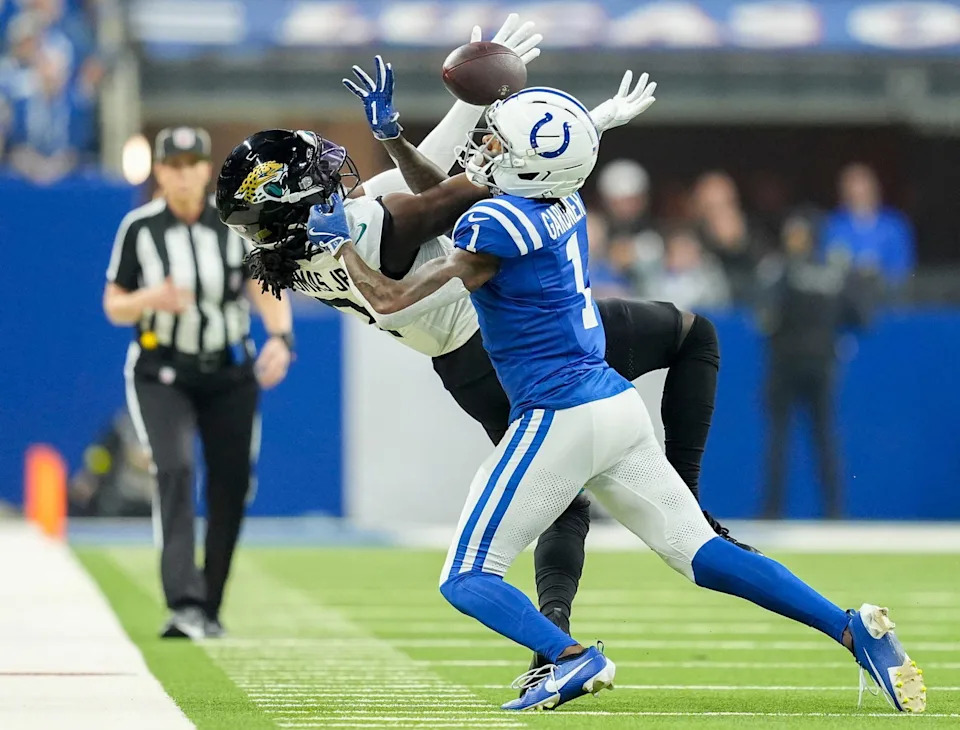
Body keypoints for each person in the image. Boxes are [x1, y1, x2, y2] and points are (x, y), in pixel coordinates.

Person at [306, 84, 925, 714]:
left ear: (526, 161)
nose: (485, 146)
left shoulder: (495, 225)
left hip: (558, 416)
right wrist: (577, 124)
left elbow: (391, 298)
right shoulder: (560, 199)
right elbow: (450, 193)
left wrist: (341, 246)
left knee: (467, 576)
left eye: (498, 138)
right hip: (615, 404)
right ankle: (852, 630)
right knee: (702, 555)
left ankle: (571, 657)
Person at [215, 27, 753, 674]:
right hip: (514, 330)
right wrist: (576, 122)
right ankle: (688, 508)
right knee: (693, 335)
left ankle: (552, 641)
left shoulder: (292, 259)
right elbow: (463, 184)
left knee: (565, 496)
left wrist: (425, 126)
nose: (334, 174)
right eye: (316, 176)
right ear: (295, 204)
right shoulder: (369, 224)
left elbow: (430, 182)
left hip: (462, 369)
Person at [103, 126, 295, 639]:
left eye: (193, 163)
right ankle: (184, 603)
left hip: (230, 370)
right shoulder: (140, 228)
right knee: (175, 468)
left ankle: (209, 604)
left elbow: (264, 284)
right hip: (161, 371)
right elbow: (114, 304)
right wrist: (149, 300)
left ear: (207, 169)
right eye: (174, 164)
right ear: (160, 172)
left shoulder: (234, 224)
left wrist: (282, 337)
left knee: (232, 484)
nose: (184, 173)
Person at [757, 209, 874, 519]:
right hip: (821, 363)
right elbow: (862, 318)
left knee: (784, 438)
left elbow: (765, 318)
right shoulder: (836, 271)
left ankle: (774, 510)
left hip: (786, 362)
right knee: (821, 437)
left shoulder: (781, 269)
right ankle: (833, 511)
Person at [823, 162, 915, 291]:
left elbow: (903, 267)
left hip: (886, 298)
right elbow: (827, 265)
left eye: (865, 190)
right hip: (846, 300)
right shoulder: (834, 225)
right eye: (854, 191)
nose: (860, 196)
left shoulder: (894, 225)